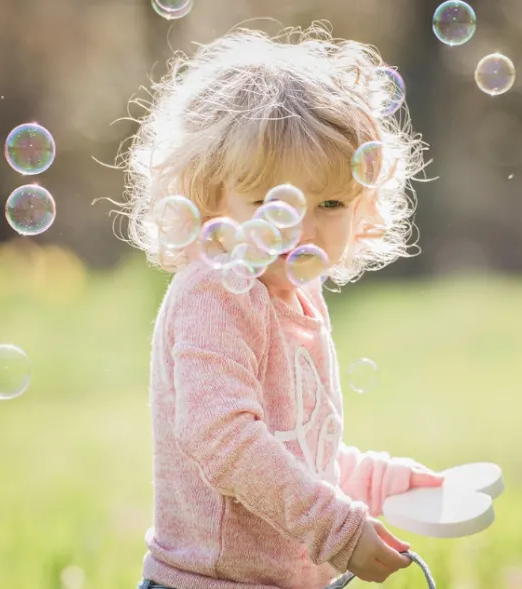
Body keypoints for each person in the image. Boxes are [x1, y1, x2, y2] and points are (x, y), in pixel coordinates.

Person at [115, 21, 443, 589]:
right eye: (271, 201)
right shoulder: (216, 293)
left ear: (364, 204)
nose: (304, 228)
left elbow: (295, 455)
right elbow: (226, 441)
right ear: (209, 196)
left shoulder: (297, 293)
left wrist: (378, 484)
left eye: (332, 202)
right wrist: (339, 531)